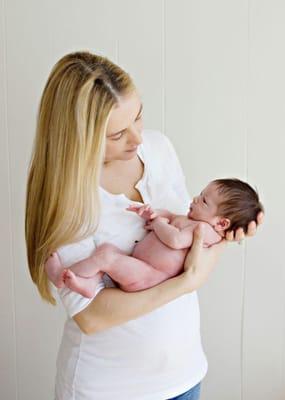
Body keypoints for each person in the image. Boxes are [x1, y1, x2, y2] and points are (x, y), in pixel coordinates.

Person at [25, 51, 263, 400]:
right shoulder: (66, 196)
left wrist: (227, 233)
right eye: (118, 133)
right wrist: (187, 283)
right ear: (79, 136)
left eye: (138, 118)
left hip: (185, 376)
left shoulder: (159, 149)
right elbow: (91, 316)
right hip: (109, 390)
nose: (137, 138)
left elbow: (197, 237)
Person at [44, 178, 264, 298]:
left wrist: (158, 223)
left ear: (222, 223)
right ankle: (88, 284)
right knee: (107, 252)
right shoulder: (194, 220)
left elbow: (176, 240)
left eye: (204, 201)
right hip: (141, 265)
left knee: (108, 259)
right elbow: (170, 218)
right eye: (200, 194)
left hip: (149, 276)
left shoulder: (206, 232)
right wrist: (154, 214)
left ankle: (61, 275)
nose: (196, 199)